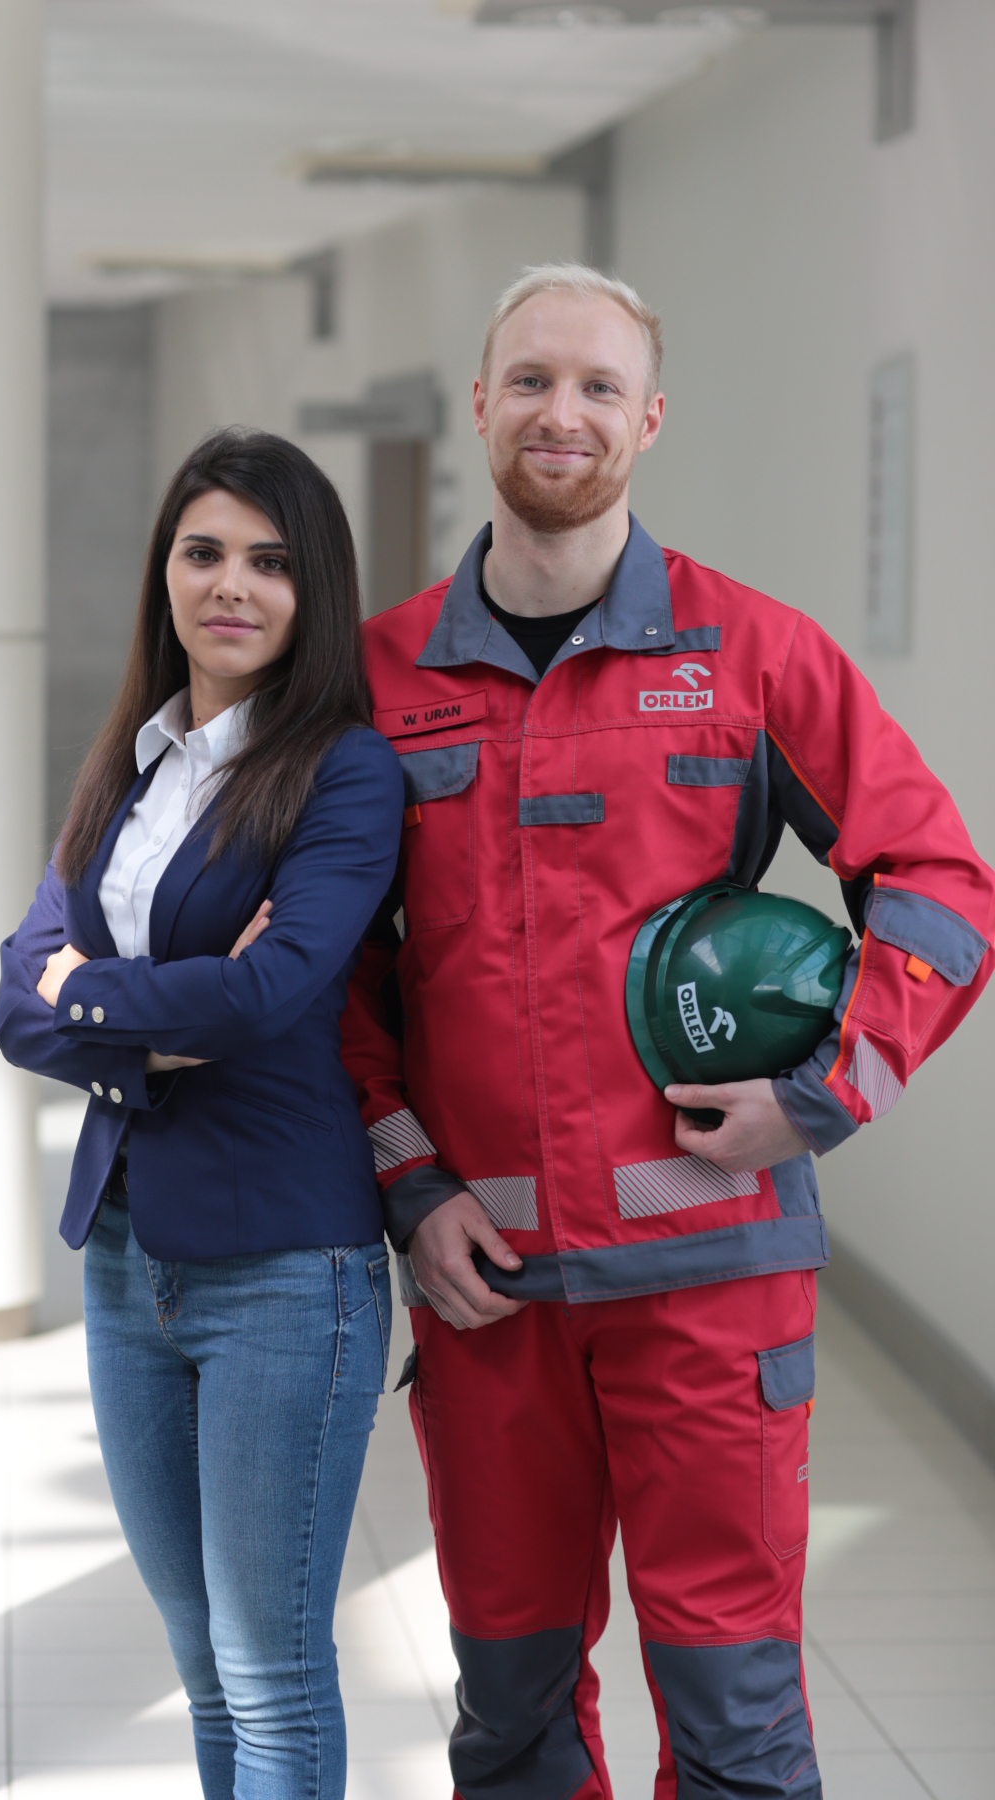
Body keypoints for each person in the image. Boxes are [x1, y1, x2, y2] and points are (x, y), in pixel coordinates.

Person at [341, 264, 995, 1800]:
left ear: (648, 418)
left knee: (737, 1727)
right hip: (488, 1295)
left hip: (713, 1294)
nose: (558, 412)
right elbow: (341, 984)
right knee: (507, 1723)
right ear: (481, 405)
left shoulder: (754, 658)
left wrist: (823, 1095)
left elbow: (943, 888)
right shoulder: (379, 683)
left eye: (593, 386)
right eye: (528, 380)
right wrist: (410, 1187)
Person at [0, 428, 404, 1800]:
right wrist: (157, 1016)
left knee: (272, 1669)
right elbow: (15, 997)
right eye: (205, 552)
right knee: (200, 1655)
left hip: (288, 1272)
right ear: (165, 570)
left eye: (272, 562)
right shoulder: (133, 758)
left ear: (316, 590)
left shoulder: (343, 770)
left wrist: (92, 999)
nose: (233, 586)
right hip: (128, 1255)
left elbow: (277, 995)